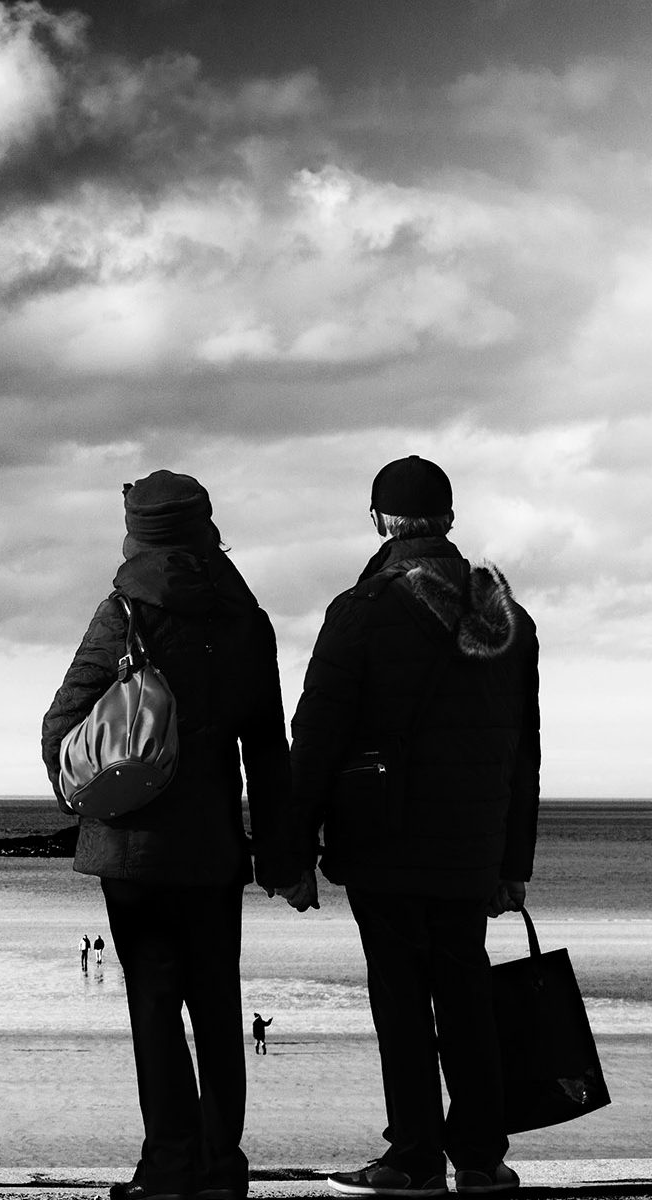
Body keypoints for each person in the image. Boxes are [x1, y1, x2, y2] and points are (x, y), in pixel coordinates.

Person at [261, 456, 539, 1200]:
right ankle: (482, 1158)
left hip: (383, 838)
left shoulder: (361, 611)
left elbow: (315, 737)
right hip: (473, 845)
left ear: (379, 520)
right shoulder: (508, 618)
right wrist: (514, 862)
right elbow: (525, 748)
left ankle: (414, 1157)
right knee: (467, 991)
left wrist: (288, 853)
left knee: (402, 999)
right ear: (449, 520)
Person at [42, 470, 291, 1200]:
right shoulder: (248, 618)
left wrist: (82, 794)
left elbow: (63, 722)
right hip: (214, 848)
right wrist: (280, 856)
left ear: (138, 532)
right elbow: (268, 751)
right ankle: (220, 1170)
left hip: (134, 845)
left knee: (153, 1002)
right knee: (216, 1003)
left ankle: (168, 1168)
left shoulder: (123, 611)